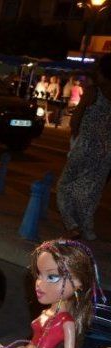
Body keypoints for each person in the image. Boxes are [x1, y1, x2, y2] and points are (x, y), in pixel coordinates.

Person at [13, 240, 102, 348]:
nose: (39, 283)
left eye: (52, 277)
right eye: (39, 275)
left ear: (78, 283)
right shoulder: (45, 313)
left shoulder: (66, 321)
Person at [56, 54, 111, 242]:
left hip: (86, 147)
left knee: (64, 186)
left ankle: (72, 226)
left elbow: (76, 119)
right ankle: (88, 230)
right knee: (92, 192)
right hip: (106, 153)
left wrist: (75, 137)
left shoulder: (93, 92)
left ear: (102, 72)